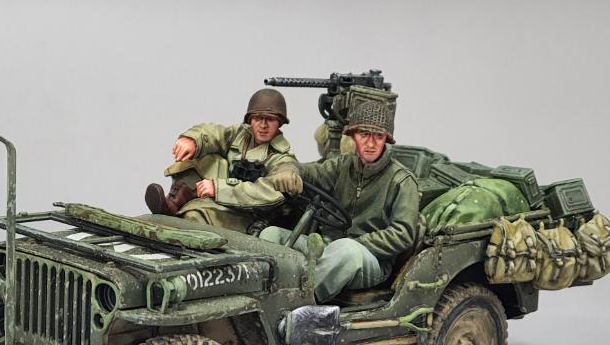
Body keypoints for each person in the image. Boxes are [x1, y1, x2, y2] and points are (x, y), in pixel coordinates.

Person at [259, 94, 419, 303]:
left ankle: (297, 303)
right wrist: (289, 168)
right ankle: (261, 294)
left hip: (370, 259)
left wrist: (358, 242)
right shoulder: (344, 165)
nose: (370, 143)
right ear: (353, 136)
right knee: (271, 235)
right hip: (328, 247)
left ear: (386, 140)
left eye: (378, 137)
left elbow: (403, 233)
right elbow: (311, 172)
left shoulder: (402, 180)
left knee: (346, 250)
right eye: (364, 135)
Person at [144, 88, 302, 234]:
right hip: (223, 198)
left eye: (270, 119)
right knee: (206, 157)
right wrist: (193, 140)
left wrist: (218, 188)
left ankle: (184, 223)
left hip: (248, 215)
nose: (263, 125)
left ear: (280, 122)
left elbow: (268, 193)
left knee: (195, 215)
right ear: (250, 120)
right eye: (258, 118)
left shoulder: (283, 160)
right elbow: (215, 133)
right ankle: (174, 203)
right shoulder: (241, 135)